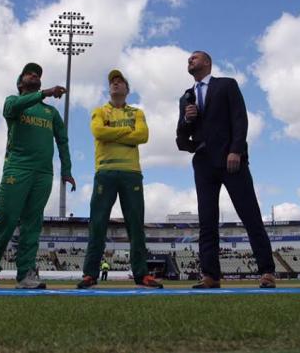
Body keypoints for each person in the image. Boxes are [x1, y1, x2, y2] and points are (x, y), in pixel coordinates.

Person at [176, 51, 276, 289]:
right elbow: (181, 138)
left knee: (250, 215)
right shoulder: (186, 97)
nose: (190, 60)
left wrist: (236, 150)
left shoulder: (227, 85)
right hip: (203, 163)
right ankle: (210, 275)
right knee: (207, 221)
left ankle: (267, 271)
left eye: (195, 57)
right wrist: (188, 120)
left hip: (231, 160)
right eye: (189, 58)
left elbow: (240, 119)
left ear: (207, 62)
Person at [0, 63, 76, 289]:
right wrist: (44, 93)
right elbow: (11, 109)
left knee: (33, 224)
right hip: (17, 168)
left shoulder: (51, 113)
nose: (34, 75)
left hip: (43, 173)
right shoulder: (13, 102)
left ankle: (25, 274)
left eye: (38, 74)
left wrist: (66, 170)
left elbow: (62, 141)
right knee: (6, 218)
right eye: (29, 73)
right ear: (20, 81)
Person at [77, 70, 163, 289]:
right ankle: (90, 274)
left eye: (120, 81)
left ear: (127, 89)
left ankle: (141, 275)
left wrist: (112, 133)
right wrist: (127, 133)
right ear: (109, 89)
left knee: (136, 225)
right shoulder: (99, 111)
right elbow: (99, 132)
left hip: (131, 172)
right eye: (112, 82)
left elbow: (143, 136)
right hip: (105, 172)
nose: (115, 84)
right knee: (98, 223)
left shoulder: (137, 113)